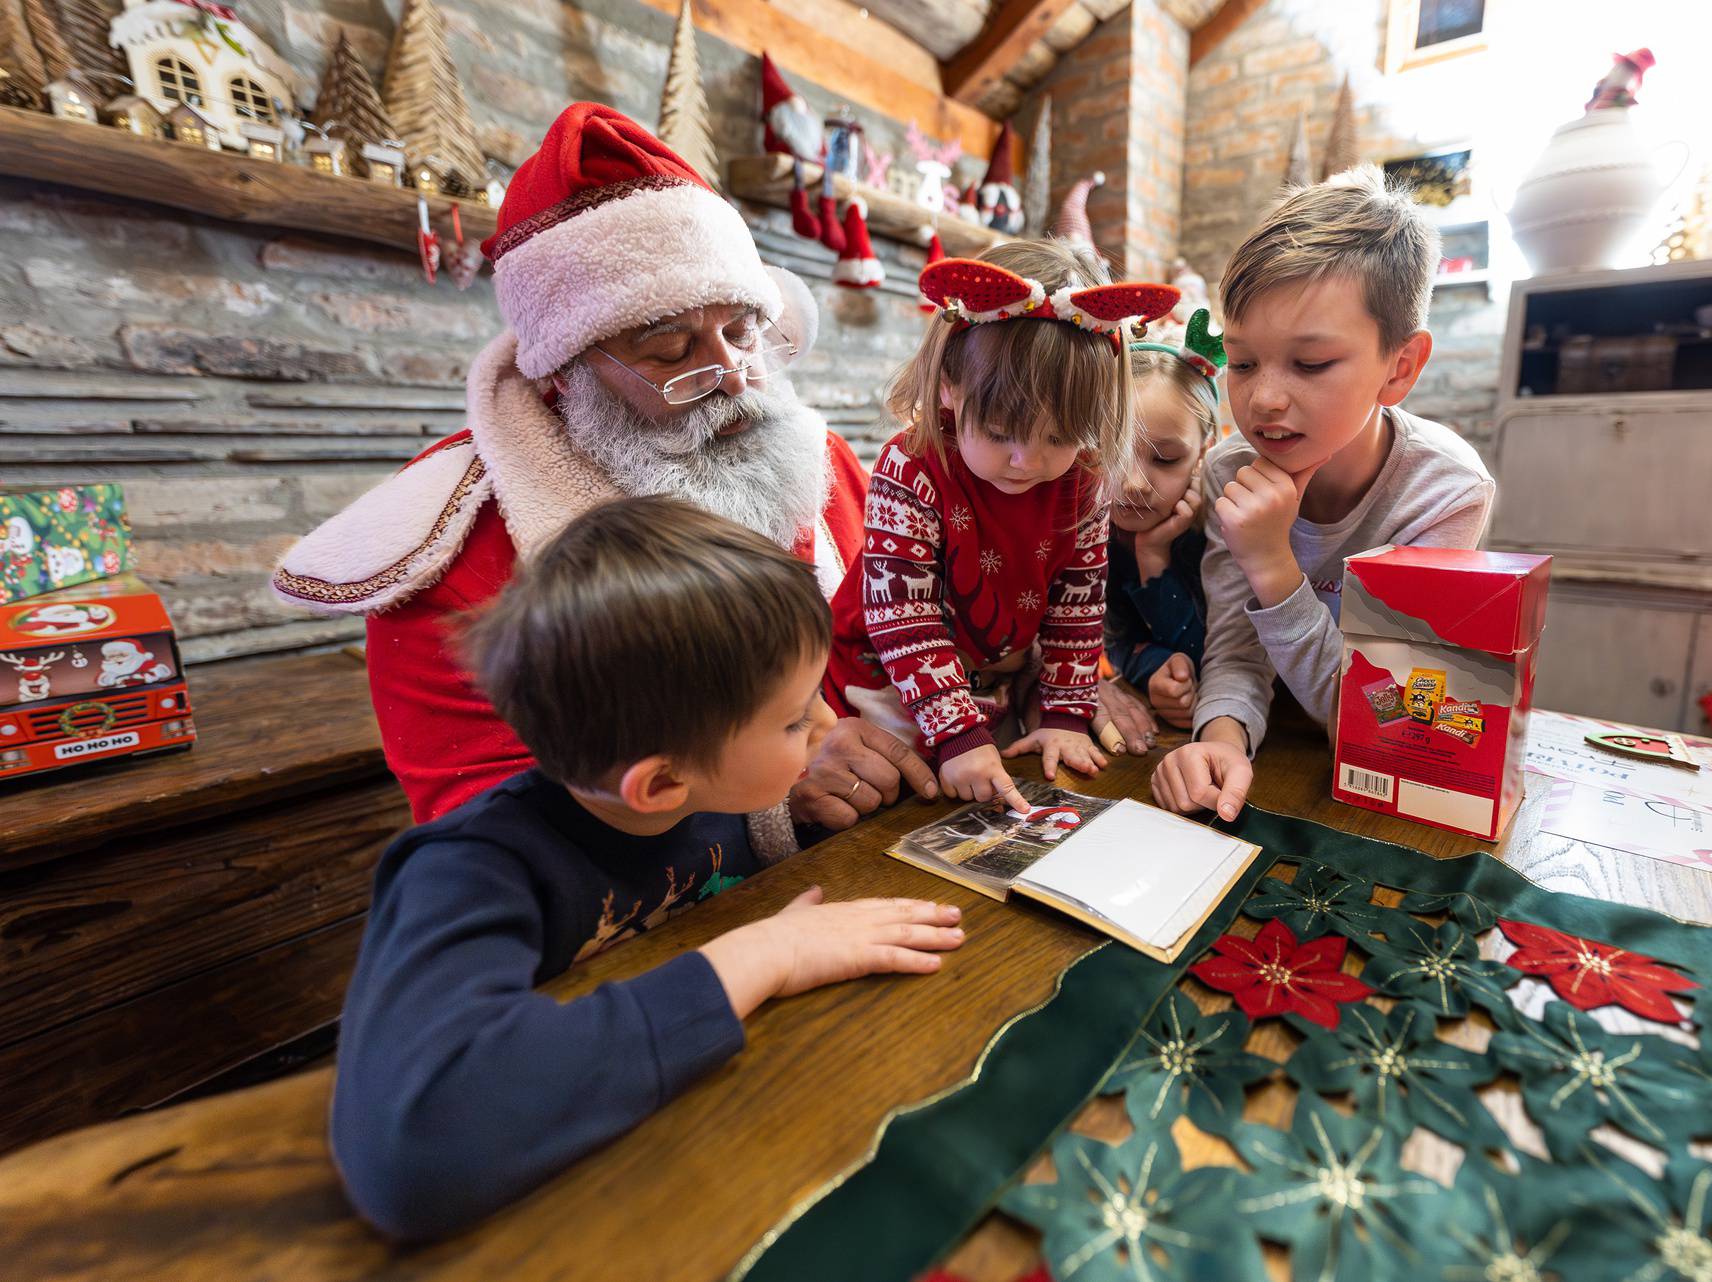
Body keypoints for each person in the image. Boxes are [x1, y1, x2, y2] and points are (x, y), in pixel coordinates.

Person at [271, 102, 933, 846]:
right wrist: (770, 782)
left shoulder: (821, 460)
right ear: (566, 371)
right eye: (670, 349)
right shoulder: (452, 557)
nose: (736, 380)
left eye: (743, 329)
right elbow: (495, 836)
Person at [329, 496, 966, 1242]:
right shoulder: (467, 873)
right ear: (661, 784)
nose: (827, 727)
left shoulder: (711, 790)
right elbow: (412, 1153)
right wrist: (767, 952)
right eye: (796, 720)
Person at [1153, 166, 1496, 823]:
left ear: (1400, 368)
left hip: (1378, 791)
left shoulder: (1444, 493)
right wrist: (1219, 739)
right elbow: (1233, 653)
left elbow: (1390, 723)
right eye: (1243, 362)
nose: (1263, 399)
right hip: (1281, 758)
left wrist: (1275, 567)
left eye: (1310, 364)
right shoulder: (1232, 471)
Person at [824, 241, 1180, 809]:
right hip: (884, 681)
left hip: (986, 683)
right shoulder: (911, 466)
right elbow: (904, 621)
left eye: (1060, 437)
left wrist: (1065, 715)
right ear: (948, 385)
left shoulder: (1084, 481)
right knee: (895, 805)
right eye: (998, 432)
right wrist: (957, 733)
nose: (1028, 461)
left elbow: (1078, 608)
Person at [1105, 309, 1225, 731]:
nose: (1134, 483)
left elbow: (1216, 661)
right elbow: (1113, 640)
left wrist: (1153, 555)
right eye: (1112, 453)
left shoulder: (1222, 530)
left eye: (1167, 459)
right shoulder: (1090, 530)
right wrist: (1152, 665)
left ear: (1205, 451)